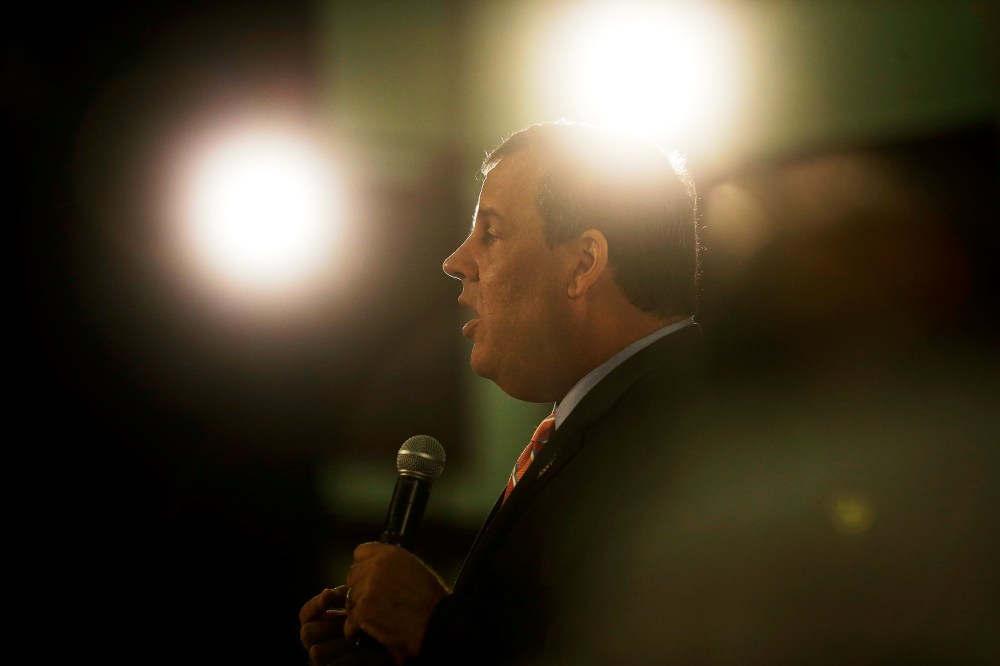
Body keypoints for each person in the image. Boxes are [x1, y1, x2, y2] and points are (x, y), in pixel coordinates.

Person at [299, 120, 705, 665]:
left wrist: (437, 629)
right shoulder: (633, 418)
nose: (455, 262)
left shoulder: (690, 435)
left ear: (583, 264)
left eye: (490, 233)